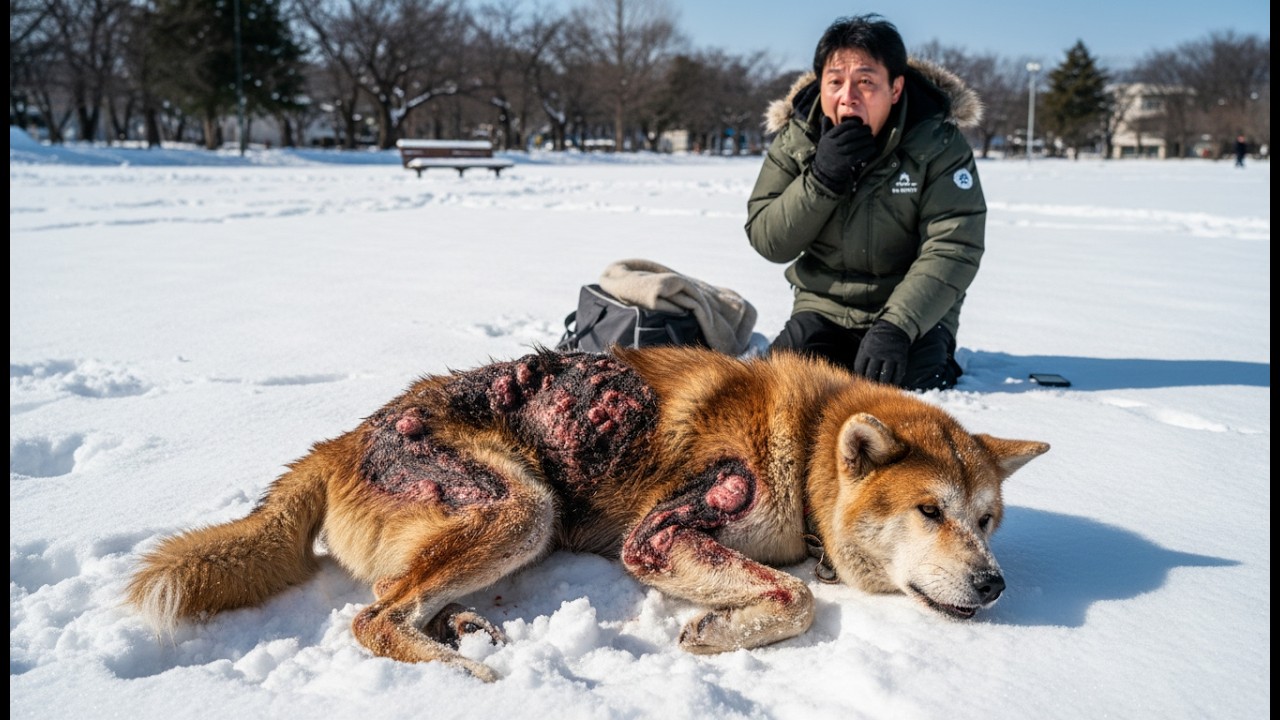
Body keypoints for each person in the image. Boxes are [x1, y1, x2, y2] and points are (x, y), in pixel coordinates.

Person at [746, 14, 985, 391]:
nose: (848, 97)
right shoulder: (797, 139)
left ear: (895, 88)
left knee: (909, 388)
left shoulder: (937, 141)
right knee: (785, 384)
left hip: (913, 313)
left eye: (866, 82)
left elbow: (954, 244)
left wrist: (896, 325)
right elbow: (769, 240)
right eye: (836, 82)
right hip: (824, 306)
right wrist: (821, 178)